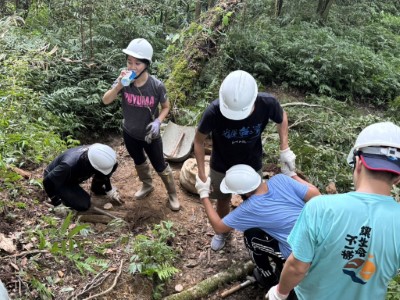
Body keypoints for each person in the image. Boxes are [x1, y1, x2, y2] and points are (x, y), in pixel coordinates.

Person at [266, 121, 400, 300]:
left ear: (358, 162)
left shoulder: (320, 207)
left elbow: (297, 268)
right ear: (397, 177)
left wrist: (279, 293)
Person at [194, 70, 296, 251]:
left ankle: (257, 234)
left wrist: (284, 147)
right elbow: (199, 140)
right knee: (223, 198)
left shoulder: (267, 103)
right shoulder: (214, 111)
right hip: (222, 162)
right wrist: (202, 174)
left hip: (251, 160)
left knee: (255, 199)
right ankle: (223, 232)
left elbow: (282, 117)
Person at [195, 164, 320, 291]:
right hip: (321, 241)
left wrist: (204, 195)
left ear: (245, 193)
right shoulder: (280, 179)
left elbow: (219, 228)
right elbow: (316, 195)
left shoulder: (250, 208)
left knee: (251, 238)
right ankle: (280, 265)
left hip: (300, 257)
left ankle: (268, 278)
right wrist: (292, 175)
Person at [102, 38, 180, 211]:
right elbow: (106, 100)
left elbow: (166, 107)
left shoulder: (157, 86)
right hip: (130, 133)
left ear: (146, 64)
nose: (132, 67)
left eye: (137, 63)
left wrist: (158, 121)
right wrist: (118, 87)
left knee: (160, 165)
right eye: (129, 62)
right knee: (139, 161)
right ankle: (147, 185)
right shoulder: (124, 81)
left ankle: (172, 194)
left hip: (150, 135)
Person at [43, 143, 121, 211]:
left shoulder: (95, 153)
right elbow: (47, 181)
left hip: (73, 176)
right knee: (83, 204)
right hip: (58, 180)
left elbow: (105, 174)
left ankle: (96, 189)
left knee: (111, 167)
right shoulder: (69, 166)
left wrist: (109, 190)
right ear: (91, 166)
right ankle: (61, 194)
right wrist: (56, 203)